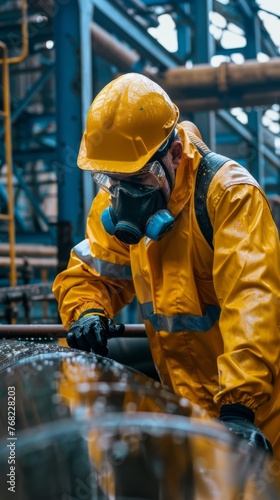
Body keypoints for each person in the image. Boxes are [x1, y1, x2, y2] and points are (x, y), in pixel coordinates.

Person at [52, 72, 280, 460]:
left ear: (174, 154)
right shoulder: (117, 203)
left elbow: (252, 302)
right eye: (111, 180)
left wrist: (240, 408)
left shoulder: (228, 195)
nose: (126, 197)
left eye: (140, 179)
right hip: (184, 416)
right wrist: (87, 312)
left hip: (257, 421)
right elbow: (89, 274)